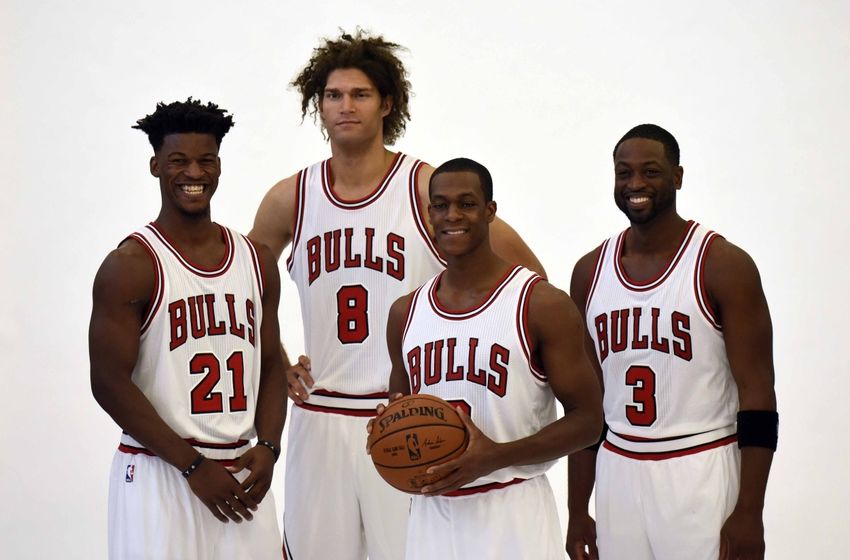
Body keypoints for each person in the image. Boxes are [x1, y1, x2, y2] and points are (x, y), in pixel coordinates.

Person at [249, 30, 545, 560]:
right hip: (320, 413)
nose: (345, 107)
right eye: (334, 96)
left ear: (387, 103)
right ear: (318, 105)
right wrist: (273, 359)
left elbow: (528, 277)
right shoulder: (291, 196)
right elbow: (245, 286)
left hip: (405, 416)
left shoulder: (424, 185)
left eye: (360, 94)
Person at [566, 124, 778, 560]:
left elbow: (758, 397)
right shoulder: (589, 271)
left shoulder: (722, 265)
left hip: (699, 466)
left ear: (678, 176)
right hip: (619, 468)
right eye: (624, 173)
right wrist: (576, 509)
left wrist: (750, 512)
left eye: (651, 171)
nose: (635, 184)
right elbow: (588, 407)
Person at [373, 157, 602, 559]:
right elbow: (400, 406)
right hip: (432, 513)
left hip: (512, 509)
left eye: (467, 203)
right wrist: (387, 430)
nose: (452, 216)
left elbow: (589, 421)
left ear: (490, 211)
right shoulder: (405, 313)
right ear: (429, 215)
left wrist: (496, 456)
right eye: (441, 205)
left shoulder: (539, 303)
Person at [89, 98, 288, 560]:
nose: (193, 173)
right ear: (156, 165)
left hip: (241, 469)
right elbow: (108, 384)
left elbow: (272, 360)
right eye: (178, 161)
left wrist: (271, 447)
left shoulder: (256, 260)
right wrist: (192, 465)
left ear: (219, 166)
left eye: (205, 160)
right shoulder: (131, 265)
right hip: (161, 470)